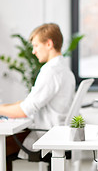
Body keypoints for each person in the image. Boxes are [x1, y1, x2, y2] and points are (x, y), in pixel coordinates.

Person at [0, 23, 75, 170]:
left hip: (47, 136)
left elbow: (24, 110)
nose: (33, 51)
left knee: (3, 145)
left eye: (36, 45)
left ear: (49, 44)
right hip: (60, 132)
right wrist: (5, 108)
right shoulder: (65, 70)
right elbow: (31, 102)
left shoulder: (50, 71)